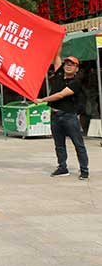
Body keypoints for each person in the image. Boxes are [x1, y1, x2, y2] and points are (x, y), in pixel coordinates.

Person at [35, 52, 89, 180]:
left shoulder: (75, 82)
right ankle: (62, 167)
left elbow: (60, 95)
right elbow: (57, 55)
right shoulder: (59, 74)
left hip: (68, 117)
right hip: (55, 116)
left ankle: (84, 170)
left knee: (78, 144)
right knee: (59, 144)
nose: (68, 66)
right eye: (67, 64)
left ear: (77, 68)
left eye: (72, 64)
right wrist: (59, 36)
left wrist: (42, 100)